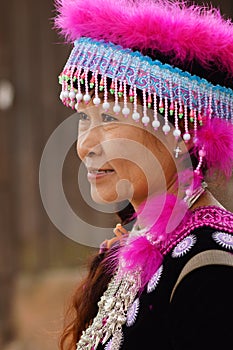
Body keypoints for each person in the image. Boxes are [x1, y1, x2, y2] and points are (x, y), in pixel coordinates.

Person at [54, 0, 233, 349]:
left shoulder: (211, 267)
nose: (85, 145)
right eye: (83, 118)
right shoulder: (136, 247)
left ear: (182, 133)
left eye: (109, 118)